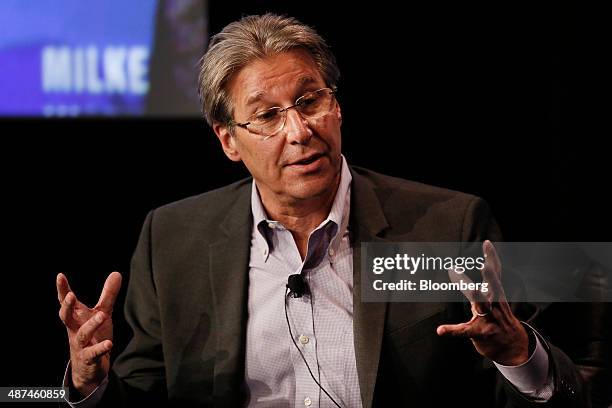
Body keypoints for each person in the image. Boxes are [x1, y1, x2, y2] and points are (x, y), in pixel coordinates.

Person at [57, 14, 588, 407]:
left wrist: (518, 353)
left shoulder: (444, 226)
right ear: (228, 141)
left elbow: (557, 393)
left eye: (310, 102)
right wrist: (89, 381)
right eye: (267, 115)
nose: (299, 130)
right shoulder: (174, 238)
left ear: (336, 105)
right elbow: (146, 392)